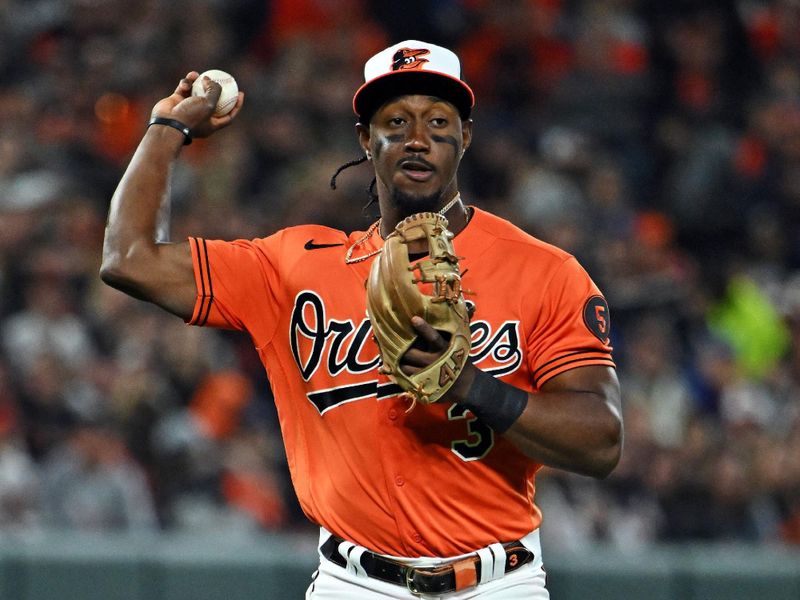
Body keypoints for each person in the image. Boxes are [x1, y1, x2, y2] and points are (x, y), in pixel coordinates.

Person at [101, 40, 622, 599]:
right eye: (395, 121)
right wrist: (165, 128)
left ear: (466, 136)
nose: (417, 139)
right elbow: (129, 259)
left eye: (438, 120)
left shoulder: (543, 271)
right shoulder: (292, 267)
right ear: (364, 140)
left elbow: (601, 442)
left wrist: (471, 385)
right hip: (354, 584)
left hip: (498, 584)